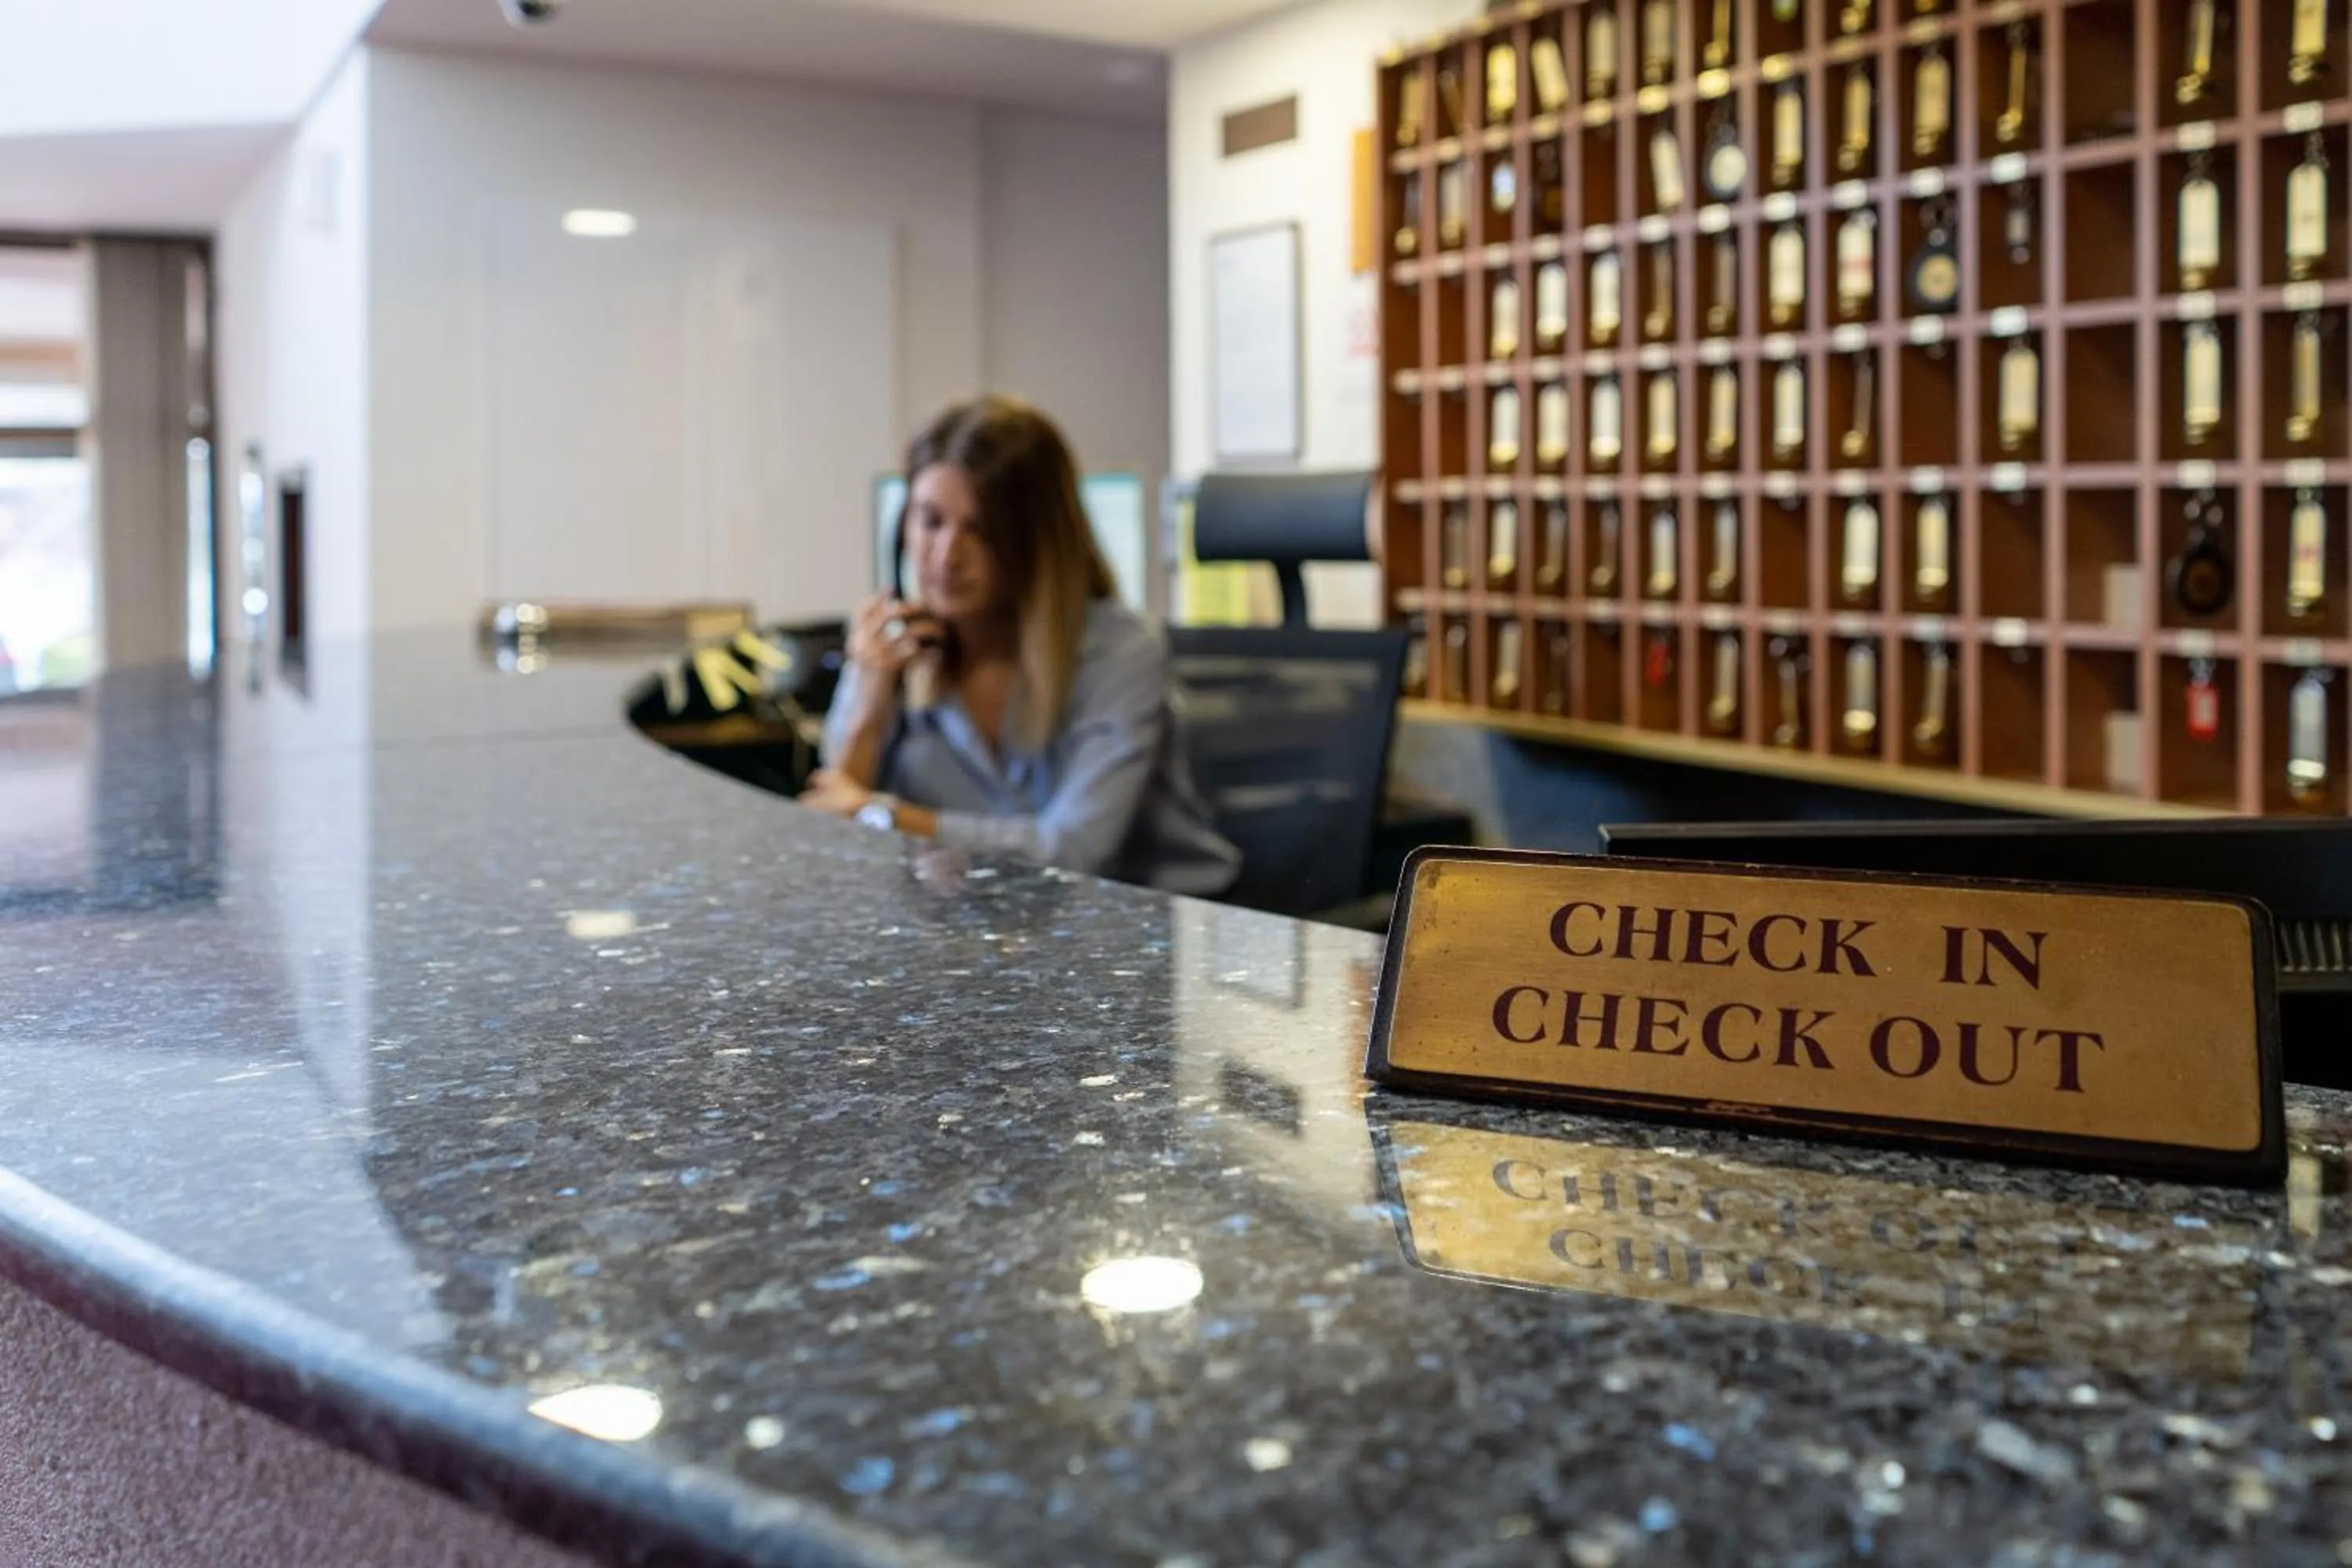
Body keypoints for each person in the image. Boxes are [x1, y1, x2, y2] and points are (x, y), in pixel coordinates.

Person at [802, 397, 1240, 898]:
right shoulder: (896, 651)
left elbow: (1076, 851)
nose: (947, 557)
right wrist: (870, 703)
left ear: (1037, 540)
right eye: (931, 521)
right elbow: (834, 833)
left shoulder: (1121, 651)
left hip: (1149, 932)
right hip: (988, 931)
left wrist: (886, 815)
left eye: (982, 530)